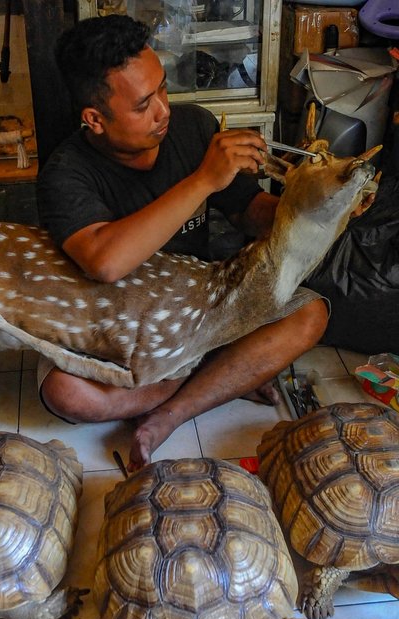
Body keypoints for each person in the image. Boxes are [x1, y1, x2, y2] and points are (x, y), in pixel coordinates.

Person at [36, 14, 328, 471]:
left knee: (309, 314)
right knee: (64, 391)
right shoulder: (66, 173)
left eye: (164, 89)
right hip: (119, 327)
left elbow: (249, 214)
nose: (164, 110)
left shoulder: (193, 127)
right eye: (143, 104)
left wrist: (314, 202)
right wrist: (202, 181)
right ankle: (219, 376)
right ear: (95, 119)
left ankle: (169, 412)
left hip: (200, 309)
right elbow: (105, 263)